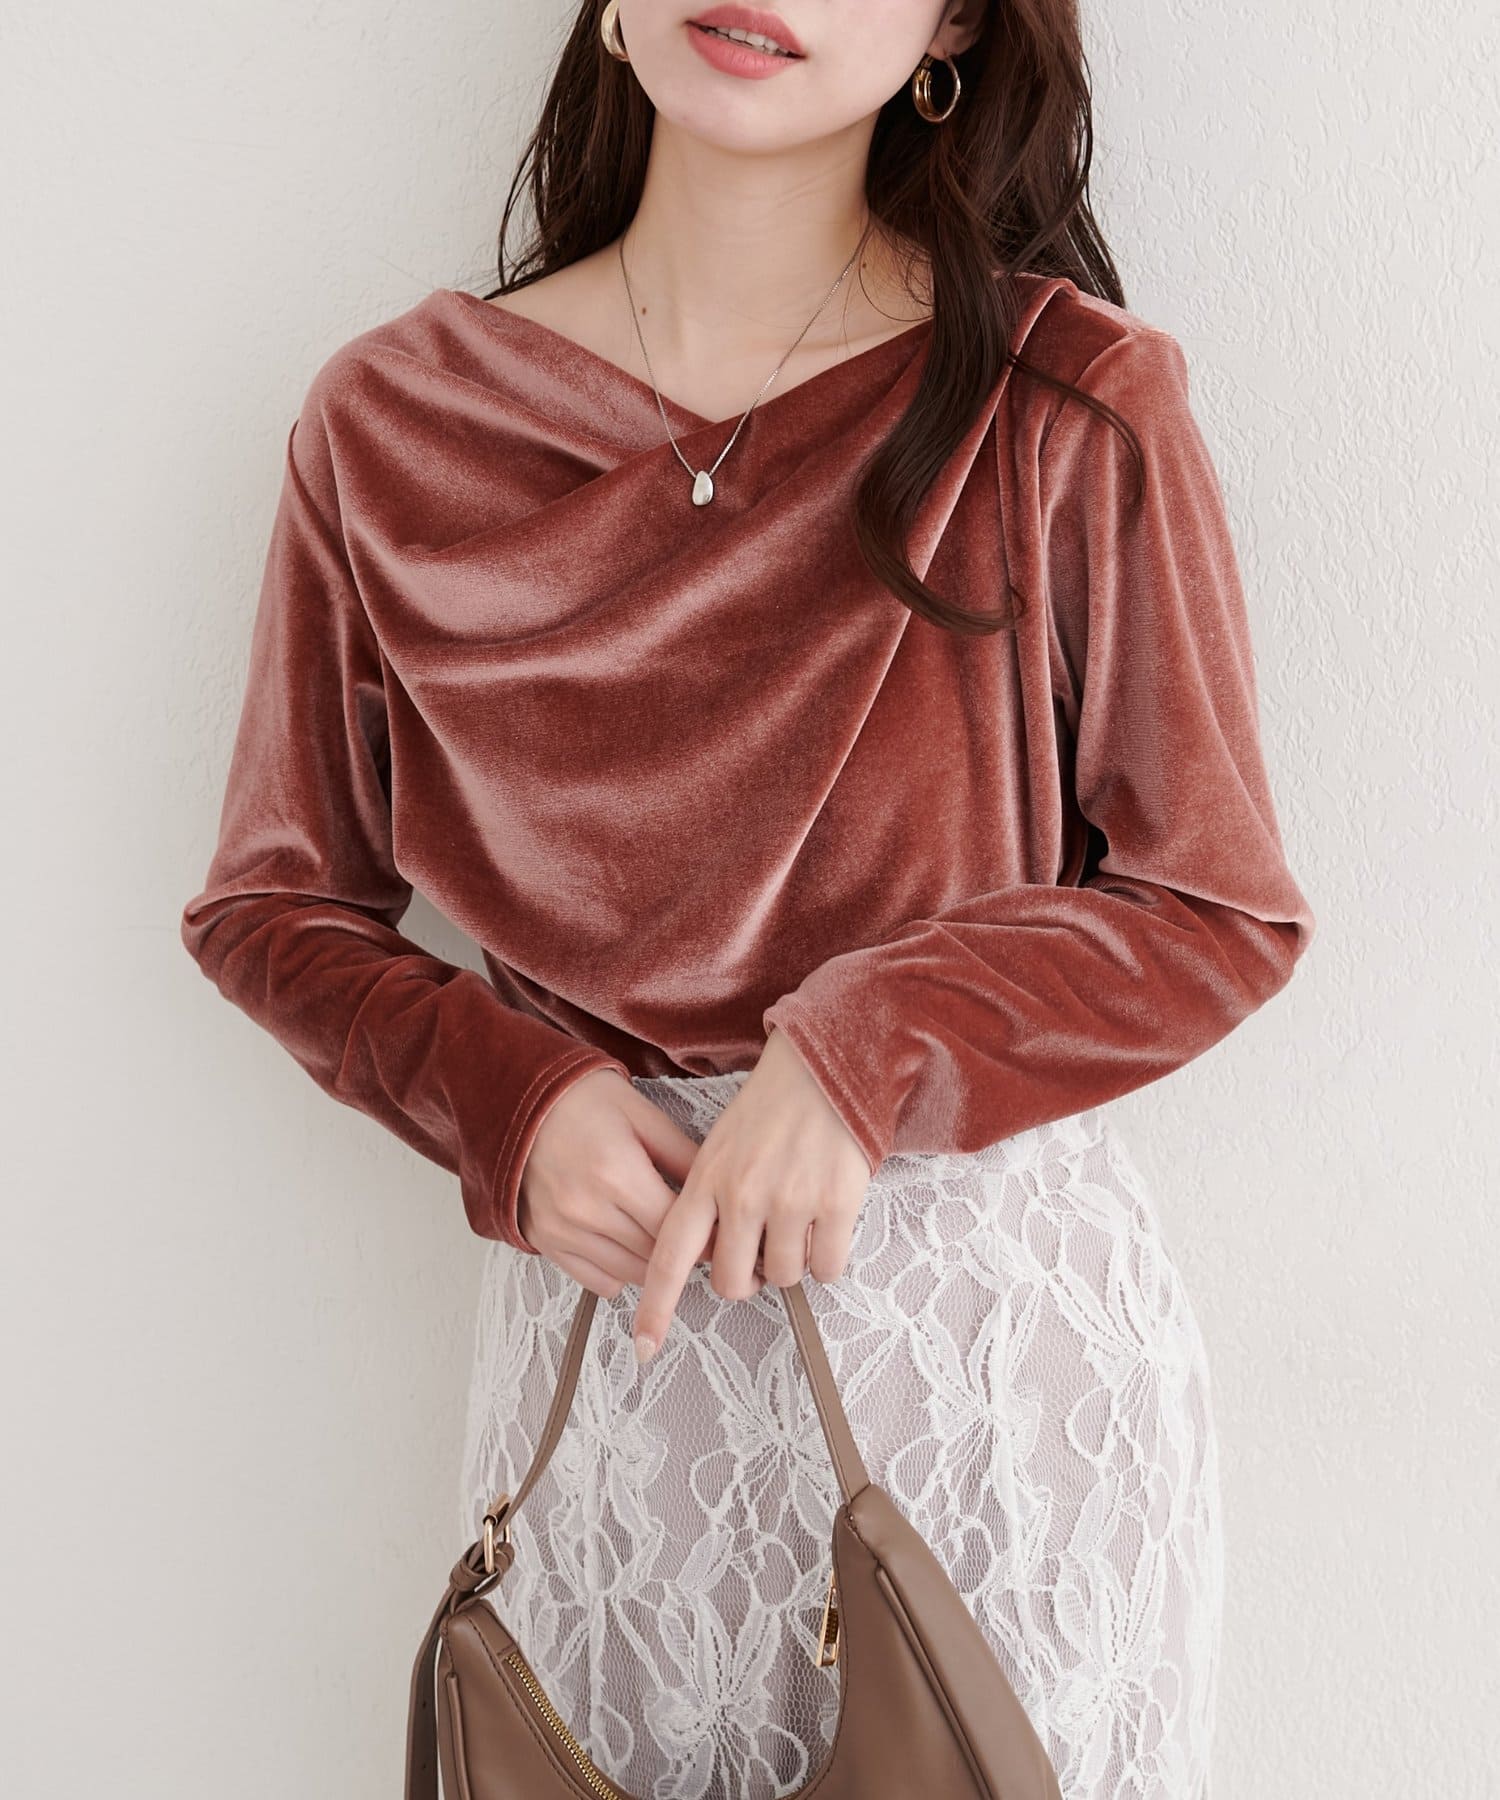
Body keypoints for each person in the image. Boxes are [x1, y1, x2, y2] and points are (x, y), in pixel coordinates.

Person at [180, 2, 1317, 1794]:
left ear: (955, 21)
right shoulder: (392, 426)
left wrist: (870, 1053)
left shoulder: (1068, 404)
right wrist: (510, 1099)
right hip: (614, 1388)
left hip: (972, 1380)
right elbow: (273, 904)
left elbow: (1216, 904)